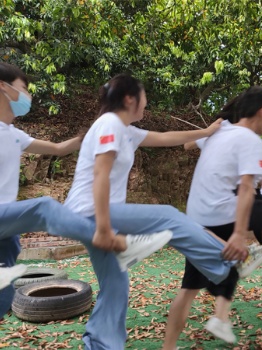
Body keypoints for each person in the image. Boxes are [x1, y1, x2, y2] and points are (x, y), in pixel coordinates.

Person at [63, 75, 262, 350]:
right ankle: (229, 262)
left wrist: (205, 132)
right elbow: (100, 174)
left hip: (98, 214)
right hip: (91, 213)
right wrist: (104, 229)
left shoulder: (126, 130)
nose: (147, 102)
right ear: (130, 99)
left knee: (116, 286)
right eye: (144, 96)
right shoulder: (110, 124)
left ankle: (100, 345)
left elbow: (166, 138)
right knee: (169, 217)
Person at [0, 62, 173, 320]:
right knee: (44, 206)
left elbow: (58, 149)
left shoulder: (15, 135)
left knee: (2, 301)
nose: (28, 96)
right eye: (23, 89)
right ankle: (115, 241)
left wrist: (88, 135)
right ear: (4, 87)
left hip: (6, 232)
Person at [162, 87, 262, 349]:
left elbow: (187, 144)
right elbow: (251, 188)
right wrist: (258, 232)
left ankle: (177, 342)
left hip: (197, 219)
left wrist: (208, 130)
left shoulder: (218, 132)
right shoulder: (251, 141)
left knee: (190, 287)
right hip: (223, 215)